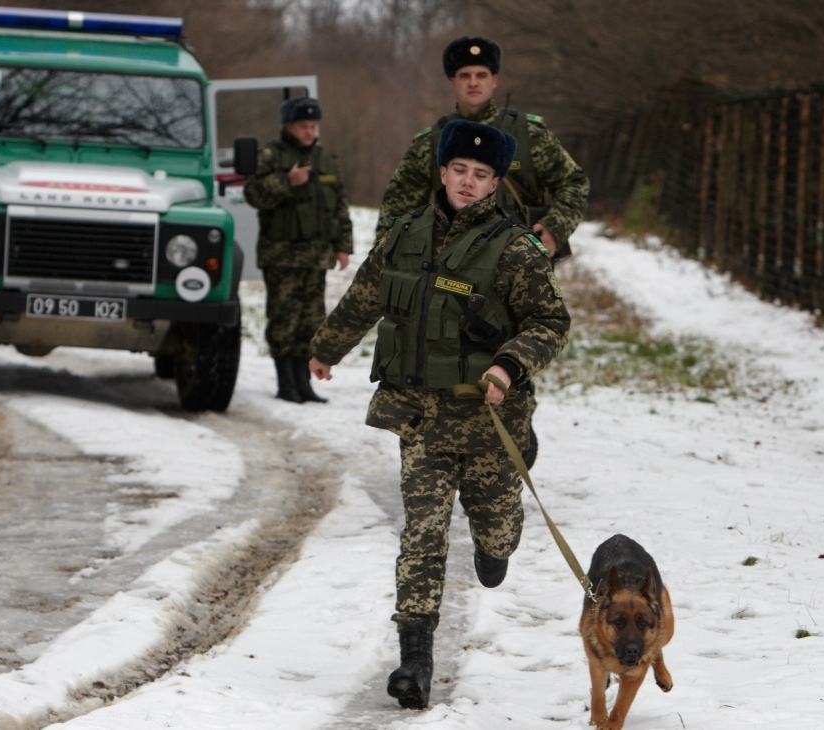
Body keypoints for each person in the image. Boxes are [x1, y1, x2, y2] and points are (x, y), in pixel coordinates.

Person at [309, 120, 570, 710]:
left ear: (497, 183)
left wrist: (507, 366)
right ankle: (415, 661)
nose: (468, 183)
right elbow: (366, 295)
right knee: (422, 534)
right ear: (443, 171)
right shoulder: (406, 233)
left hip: (488, 421)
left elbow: (551, 322)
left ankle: (495, 546)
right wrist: (327, 347)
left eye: (481, 175)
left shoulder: (515, 249)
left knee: (496, 526)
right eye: (459, 170)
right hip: (421, 417)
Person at [375, 36, 589, 466]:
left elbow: (574, 183)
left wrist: (552, 229)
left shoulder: (528, 134)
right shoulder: (434, 141)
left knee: (514, 364)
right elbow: (396, 207)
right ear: (453, 82)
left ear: (495, 80)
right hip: (448, 280)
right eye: (464, 76)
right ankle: (443, 465)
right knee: (447, 369)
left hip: (512, 277)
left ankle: (511, 453)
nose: (473, 83)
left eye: (482, 75)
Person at [244, 96, 353, 403]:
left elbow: (339, 207)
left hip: (316, 256)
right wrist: (286, 181)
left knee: (311, 321)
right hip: (282, 256)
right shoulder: (271, 155)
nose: (309, 132)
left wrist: (342, 246)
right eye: (303, 126)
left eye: (313, 126)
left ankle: (304, 384)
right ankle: (286, 384)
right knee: (283, 321)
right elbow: (253, 193)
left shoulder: (325, 160)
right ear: (288, 126)